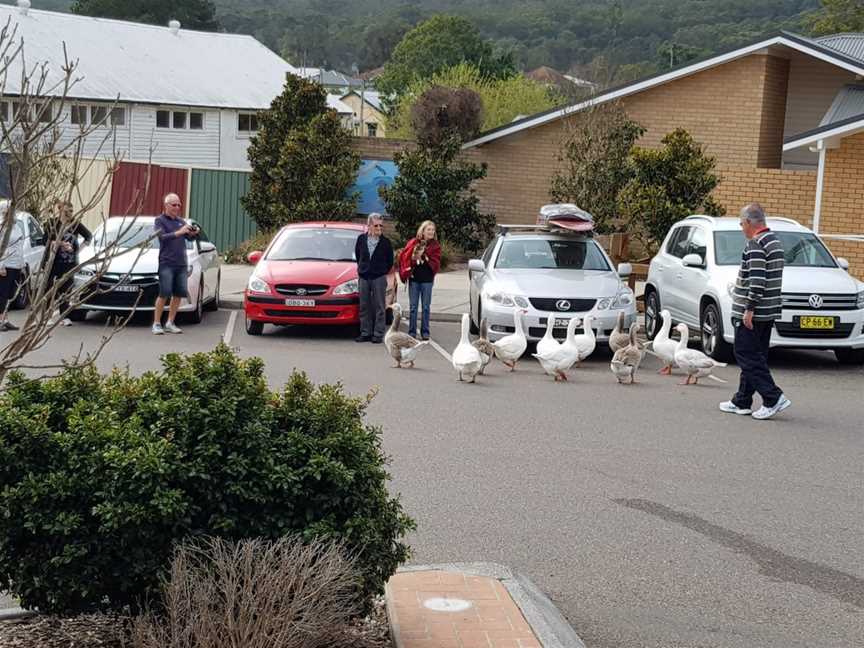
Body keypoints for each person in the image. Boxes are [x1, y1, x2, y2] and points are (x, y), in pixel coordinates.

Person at [720, 203, 791, 420]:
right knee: (756, 356)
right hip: (768, 311)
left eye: (742, 224)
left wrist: (749, 309)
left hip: (754, 312)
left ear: (750, 223)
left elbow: (757, 281)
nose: (741, 228)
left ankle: (772, 397)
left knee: (746, 355)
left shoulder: (756, 244)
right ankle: (741, 401)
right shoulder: (775, 241)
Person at [152, 193, 197, 335]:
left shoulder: (181, 221)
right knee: (164, 293)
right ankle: (157, 323)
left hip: (181, 263)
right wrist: (179, 232)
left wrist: (193, 233)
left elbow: (189, 240)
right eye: (174, 205)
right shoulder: (159, 221)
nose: (177, 207)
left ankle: (170, 322)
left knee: (178, 294)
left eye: (179, 205)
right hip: (167, 263)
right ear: (166, 205)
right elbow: (162, 238)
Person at [45, 201, 92, 326]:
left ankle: (63, 316)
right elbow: (45, 240)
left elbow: (88, 236)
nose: (69, 214)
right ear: (60, 210)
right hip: (54, 262)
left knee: (66, 289)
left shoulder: (75, 224)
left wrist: (76, 250)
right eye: (67, 211)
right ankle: (47, 316)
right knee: (51, 287)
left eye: (71, 211)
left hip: (69, 262)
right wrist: (60, 244)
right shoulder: (52, 224)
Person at [354, 213, 393, 344]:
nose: (379, 228)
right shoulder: (361, 239)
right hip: (364, 276)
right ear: (369, 225)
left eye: (381, 226)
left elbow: (390, 261)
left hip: (379, 277)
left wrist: (381, 271)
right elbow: (358, 255)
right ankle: (365, 332)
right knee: (364, 305)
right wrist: (362, 269)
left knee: (380, 306)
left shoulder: (386, 243)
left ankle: (378, 334)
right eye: (376, 225)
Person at [399, 220, 441, 340]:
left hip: (427, 280)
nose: (431, 232)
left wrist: (425, 256)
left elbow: (436, 263)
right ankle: (412, 331)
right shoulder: (414, 242)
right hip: (414, 279)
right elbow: (406, 257)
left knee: (426, 307)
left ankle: (425, 331)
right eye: (429, 230)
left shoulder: (435, 246)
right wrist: (414, 257)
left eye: (433, 230)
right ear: (423, 231)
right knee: (413, 307)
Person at [0, 209, 25, 332]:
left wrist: (21, 263)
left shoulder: (17, 227)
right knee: (2, 294)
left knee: (11, 294)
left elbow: (20, 246)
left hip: (16, 265)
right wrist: (1, 265)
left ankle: (5, 319)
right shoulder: (2, 228)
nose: (13, 216)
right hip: (6, 265)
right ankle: (0, 320)